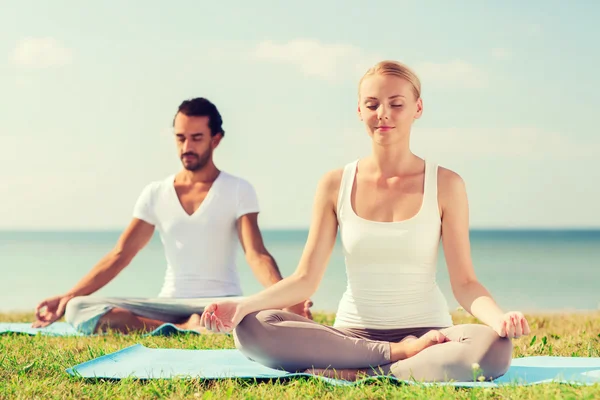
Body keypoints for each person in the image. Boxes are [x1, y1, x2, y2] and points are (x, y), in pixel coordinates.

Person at [196, 61, 532, 382]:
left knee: (494, 348)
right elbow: (304, 279)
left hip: (431, 336)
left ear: (418, 108)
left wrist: (499, 318)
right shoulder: (334, 184)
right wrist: (242, 307)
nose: (383, 113)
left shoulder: (446, 184)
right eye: (372, 104)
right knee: (252, 328)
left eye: (396, 103)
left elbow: (466, 284)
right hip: (352, 338)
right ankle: (396, 356)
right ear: (359, 111)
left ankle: (365, 374)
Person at [32, 97, 312, 335]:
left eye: (196, 138)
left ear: (216, 139)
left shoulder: (238, 189)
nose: (186, 147)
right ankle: (183, 326)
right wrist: (69, 296)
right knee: (78, 308)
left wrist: (287, 296)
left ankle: (196, 323)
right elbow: (120, 254)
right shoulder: (156, 193)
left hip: (224, 301)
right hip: (167, 302)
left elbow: (257, 254)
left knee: (261, 316)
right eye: (180, 138)